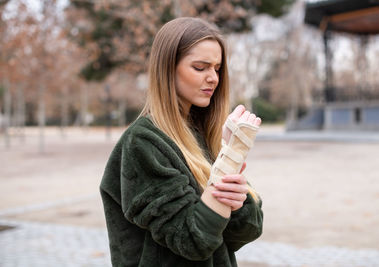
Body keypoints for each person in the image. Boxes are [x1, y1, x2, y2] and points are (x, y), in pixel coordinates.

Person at [100, 17, 263, 267]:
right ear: (167, 69)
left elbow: (245, 232)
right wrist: (227, 168)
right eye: (200, 67)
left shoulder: (205, 134)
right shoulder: (143, 142)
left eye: (217, 69)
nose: (213, 78)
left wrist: (235, 179)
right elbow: (193, 241)